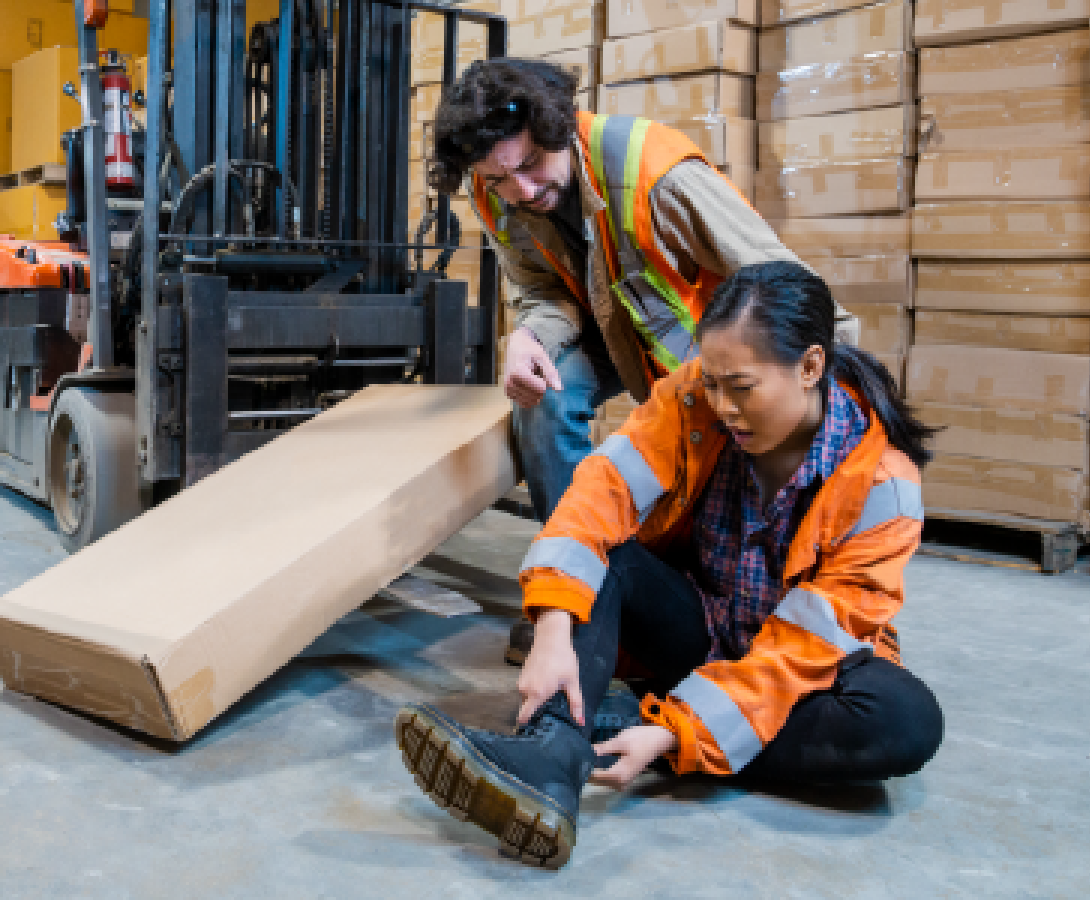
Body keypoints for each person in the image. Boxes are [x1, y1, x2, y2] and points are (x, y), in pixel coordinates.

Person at [394, 262, 944, 868]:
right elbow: (597, 497)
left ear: (811, 367)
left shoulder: (884, 485)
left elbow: (804, 650)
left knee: (904, 721)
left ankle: (633, 726)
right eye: (713, 384)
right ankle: (552, 757)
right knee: (609, 561)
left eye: (742, 387)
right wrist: (552, 626)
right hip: (697, 629)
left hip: (797, 672)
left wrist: (677, 735)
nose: (724, 407)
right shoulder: (690, 400)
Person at [428, 57, 857, 662]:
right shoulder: (494, 191)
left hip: (711, 356)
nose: (521, 191)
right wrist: (525, 338)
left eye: (529, 166)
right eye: (500, 180)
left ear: (562, 129)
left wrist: (845, 399)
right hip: (610, 333)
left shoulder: (657, 175)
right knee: (543, 394)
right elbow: (543, 293)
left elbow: (787, 285)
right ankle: (581, 598)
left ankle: (699, 606)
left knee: (722, 491)